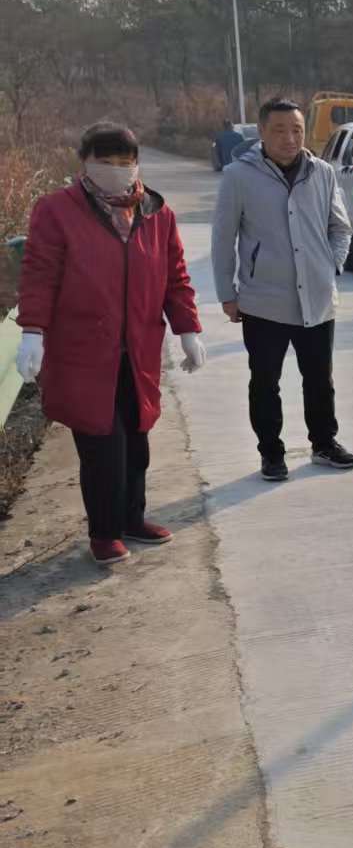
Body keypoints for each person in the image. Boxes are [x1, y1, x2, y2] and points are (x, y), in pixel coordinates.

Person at [14, 123, 206, 565]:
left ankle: (131, 519)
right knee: (103, 445)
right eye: (105, 161)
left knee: (136, 441)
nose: (116, 169)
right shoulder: (57, 210)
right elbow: (40, 274)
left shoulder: (156, 213)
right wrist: (32, 331)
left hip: (138, 349)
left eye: (125, 161)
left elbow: (175, 277)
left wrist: (188, 329)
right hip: (82, 351)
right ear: (85, 162)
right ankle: (104, 533)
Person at [212, 97, 353, 482]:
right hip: (264, 299)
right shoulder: (239, 176)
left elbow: (340, 227)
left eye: (297, 130)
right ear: (261, 132)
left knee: (320, 377)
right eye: (279, 130)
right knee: (265, 382)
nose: (290, 138)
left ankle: (324, 443)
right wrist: (227, 293)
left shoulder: (322, 172)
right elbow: (223, 239)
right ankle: (271, 453)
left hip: (317, 297)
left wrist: (332, 265)